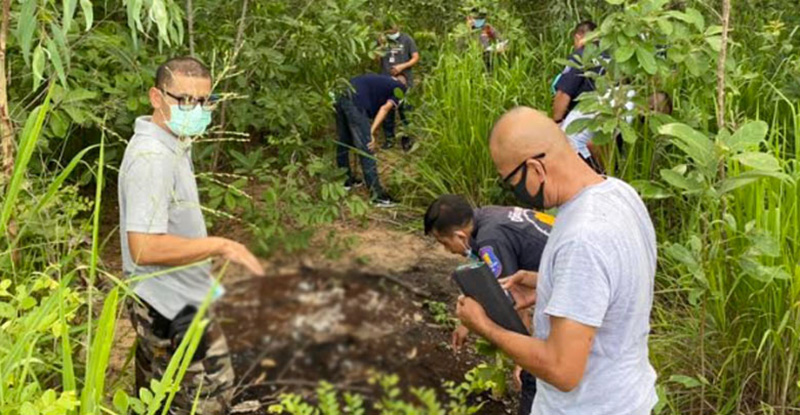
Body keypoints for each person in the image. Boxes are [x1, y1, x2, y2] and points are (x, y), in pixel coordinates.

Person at [457, 107, 658, 415]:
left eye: (510, 181)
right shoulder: (619, 193)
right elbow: (616, 283)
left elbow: (563, 370)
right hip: (629, 396)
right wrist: (546, 286)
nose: (512, 191)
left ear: (536, 168)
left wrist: (485, 327)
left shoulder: (582, 237)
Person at [119, 56, 266, 414]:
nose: (195, 109)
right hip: (169, 306)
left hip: (170, 294)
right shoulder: (153, 157)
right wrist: (221, 245)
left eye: (203, 101)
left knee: (157, 391)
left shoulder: (173, 140)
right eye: (183, 99)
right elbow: (143, 246)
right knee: (208, 397)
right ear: (156, 97)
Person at [424, 194, 553, 415]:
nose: (446, 250)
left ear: (459, 235)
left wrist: (522, 357)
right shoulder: (487, 216)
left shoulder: (490, 241)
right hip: (557, 281)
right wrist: (466, 323)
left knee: (532, 377)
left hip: (574, 290)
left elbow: (512, 301)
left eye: (444, 243)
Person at [335, 73, 407, 207]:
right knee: (367, 146)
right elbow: (385, 108)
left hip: (342, 94)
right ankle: (377, 196)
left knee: (344, 140)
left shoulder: (382, 81)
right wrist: (371, 132)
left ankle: (345, 180)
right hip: (356, 101)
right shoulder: (400, 88)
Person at [552, 21, 608, 173]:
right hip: (610, 118)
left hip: (583, 118)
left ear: (578, 37)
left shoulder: (581, 55)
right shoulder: (612, 55)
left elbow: (563, 93)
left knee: (572, 146)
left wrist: (557, 121)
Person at [378, 22, 419, 151]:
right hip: (386, 80)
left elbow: (415, 57)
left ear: (398, 26)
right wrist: (380, 46)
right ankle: (389, 139)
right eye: (389, 28)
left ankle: (407, 139)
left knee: (405, 111)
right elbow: (375, 59)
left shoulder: (406, 39)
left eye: (393, 27)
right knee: (387, 111)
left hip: (404, 80)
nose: (391, 30)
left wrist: (402, 66)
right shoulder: (382, 40)